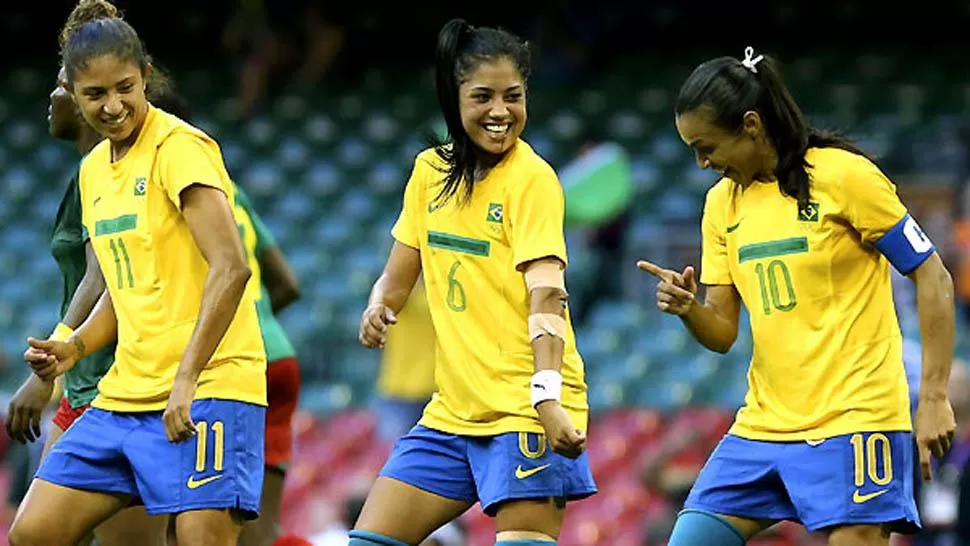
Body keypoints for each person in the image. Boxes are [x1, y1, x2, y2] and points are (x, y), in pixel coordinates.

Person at [638, 46, 957, 546]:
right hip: (764, 426)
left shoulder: (843, 176)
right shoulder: (721, 204)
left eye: (707, 147)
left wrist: (934, 397)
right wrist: (688, 309)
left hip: (857, 421)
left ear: (750, 125)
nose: (702, 163)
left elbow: (933, 275)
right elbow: (722, 333)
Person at [8, 1, 267, 544]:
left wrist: (187, 379)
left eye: (124, 87)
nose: (113, 105)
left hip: (210, 387)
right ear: (73, 95)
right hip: (126, 395)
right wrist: (74, 349)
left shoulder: (180, 149)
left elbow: (232, 268)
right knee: (34, 532)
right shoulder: (93, 172)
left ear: (145, 76)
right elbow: (118, 291)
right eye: (95, 95)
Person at [351, 19, 596, 546]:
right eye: (482, 96)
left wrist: (548, 398)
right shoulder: (428, 174)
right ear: (453, 97)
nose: (501, 112)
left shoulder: (533, 180)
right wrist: (378, 308)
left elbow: (548, 293)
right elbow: (397, 276)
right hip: (451, 414)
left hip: (525, 411)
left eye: (514, 96)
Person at [373, 274, 437, 444]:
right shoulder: (401, 298)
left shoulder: (443, 297)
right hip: (400, 391)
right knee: (393, 458)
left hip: (435, 392)